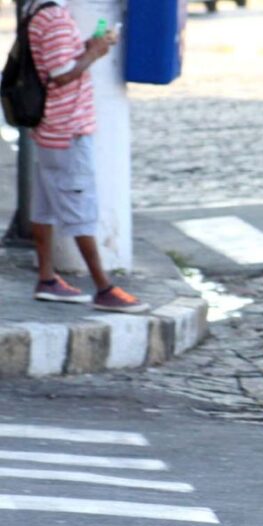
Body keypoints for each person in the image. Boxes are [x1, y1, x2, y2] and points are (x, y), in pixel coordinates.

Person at [26, 0, 147, 312]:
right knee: (81, 211)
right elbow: (61, 74)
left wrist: (89, 46)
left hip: (49, 129)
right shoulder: (54, 17)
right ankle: (104, 288)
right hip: (67, 130)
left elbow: (58, 60)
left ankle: (47, 279)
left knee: (44, 209)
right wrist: (95, 53)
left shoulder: (39, 12)